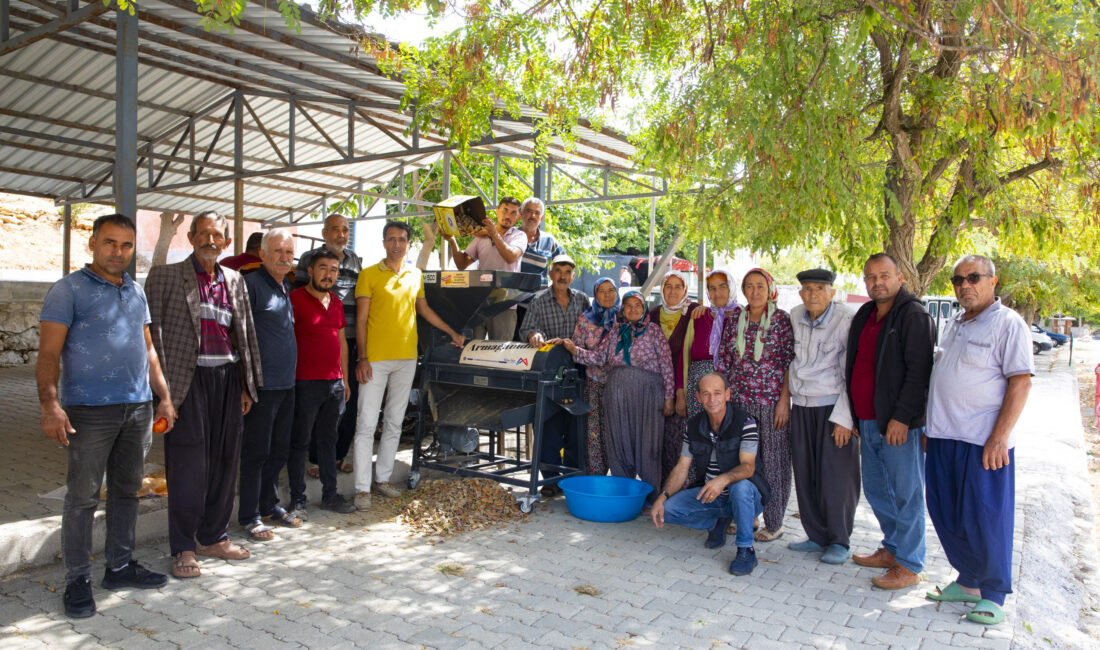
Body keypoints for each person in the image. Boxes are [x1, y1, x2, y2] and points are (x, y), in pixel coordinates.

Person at [38, 214, 175, 617]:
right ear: (93, 243)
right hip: (88, 411)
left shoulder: (136, 292)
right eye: (110, 243)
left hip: (137, 408)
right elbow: (48, 353)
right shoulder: (68, 291)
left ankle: (119, 565)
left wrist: (163, 397)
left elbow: (148, 349)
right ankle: (77, 579)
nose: (118, 252)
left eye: (127, 245)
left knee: (126, 492)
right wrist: (50, 405)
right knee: (82, 498)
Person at [146, 210, 262, 580]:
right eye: (204, 233)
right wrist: (162, 394)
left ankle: (213, 537)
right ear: (191, 236)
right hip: (186, 382)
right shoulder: (165, 277)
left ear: (227, 242)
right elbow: (148, 337)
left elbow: (243, 335)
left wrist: (245, 384)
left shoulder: (234, 280)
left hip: (226, 380)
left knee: (226, 463)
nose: (211, 240)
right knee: (187, 466)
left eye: (218, 235)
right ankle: (182, 546)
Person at [924, 255, 1032, 626]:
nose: (965, 285)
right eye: (958, 280)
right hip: (942, 436)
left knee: (987, 517)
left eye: (973, 278)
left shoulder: (1008, 324)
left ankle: (994, 594)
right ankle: (968, 581)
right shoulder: (953, 323)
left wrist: (999, 438)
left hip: (982, 441)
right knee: (945, 512)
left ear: (992, 281)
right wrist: (929, 427)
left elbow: (1021, 382)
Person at [353, 221, 464, 511]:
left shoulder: (415, 274)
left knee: (393, 422)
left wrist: (452, 332)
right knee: (366, 424)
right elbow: (361, 320)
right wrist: (361, 357)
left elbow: (424, 310)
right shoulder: (368, 275)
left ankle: (384, 480)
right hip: (374, 359)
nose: (397, 244)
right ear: (384, 242)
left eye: (402, 239)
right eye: (392, 239)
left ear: (408, 243)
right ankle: (362, 489)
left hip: (405, 359)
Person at [845, 252, 935, 590]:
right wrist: (854, 415)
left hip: (899, 425)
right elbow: (855, 366)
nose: (877, 282)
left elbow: (919, 374)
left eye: (884, 275)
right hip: (867, 421)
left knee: (906, 493)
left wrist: (901, 418)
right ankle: (893, 548)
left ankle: (910, 564)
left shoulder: (913, 315)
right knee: (876, 489)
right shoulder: (866, 314)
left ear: (899, 278)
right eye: (870, 276)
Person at [650, 372, 768, 576]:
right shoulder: (693, 426)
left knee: (739, 487)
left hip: (746, 497)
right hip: (710, 495)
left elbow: (748, 467)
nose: (712, 399)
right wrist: (662, 497)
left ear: (728, 394)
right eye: (705, 394)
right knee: (667, 511)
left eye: (717, 393)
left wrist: (722, 480)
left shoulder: (746, 422)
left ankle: (746, 550)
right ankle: (718, 521)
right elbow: (681, 467)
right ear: (697, 397)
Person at [561, 290, 674, 495]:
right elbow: (598, 358)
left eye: (637, 305)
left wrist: (669, 398)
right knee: (619, 441)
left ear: (644, 308)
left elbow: (667, 365)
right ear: (622, 309)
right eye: (628, 306)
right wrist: (574, 350)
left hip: (648, 395)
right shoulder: (615, 332)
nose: (633, 309)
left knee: (647, 444)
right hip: (617, 395)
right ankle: (624, 493)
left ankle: (650, 495)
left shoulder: (654, 331)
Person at [786, 269, 859, 565]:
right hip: (801, 406)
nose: (812, 293)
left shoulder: (846, 318)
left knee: (837, 478)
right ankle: (816, 535)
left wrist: (845, 417)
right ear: (801, 293)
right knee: (805, 473)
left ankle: (839, 540)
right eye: (807, 288)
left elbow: (851, 371)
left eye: (819, 288)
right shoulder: (794, 315)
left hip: (832, 408)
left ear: (831, 292)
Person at [716, 268, 794, 543]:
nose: (755, 291)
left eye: (760, 285)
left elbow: (788, 363)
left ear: (769, 288)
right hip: (740, 403)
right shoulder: (736, 318)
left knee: (774, 463)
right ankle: (748, 515)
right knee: (743, 461)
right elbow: (724, 359)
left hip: (772, 403)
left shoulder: (781, 320)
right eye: (749, 286)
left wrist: (784, 400)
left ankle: (775, 523)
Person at [237, 229, 302, 540]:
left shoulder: (284, 285)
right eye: (277, 251)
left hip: (286, 384)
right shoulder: (250, 285)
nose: (284, 258)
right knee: (255, 452)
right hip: (262, 387)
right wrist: (244, 385)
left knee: (278, 450)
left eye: (289, 253)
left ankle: (268, 504)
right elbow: (237, 336)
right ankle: (249, 515)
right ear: (261, 254)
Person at [289, 250, 357, 515]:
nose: (328, 274)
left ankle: (331, 494)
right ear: (311, 271)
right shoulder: (294, 299)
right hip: (304, 383)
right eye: (323, 268)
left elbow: (341, 343)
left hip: (335, 384)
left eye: (333, 269)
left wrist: (345, 379)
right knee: (300, 442)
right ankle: (297, 499)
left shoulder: (337, 304)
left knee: (329, 441)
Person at [518, 254, 591, 492]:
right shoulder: (538, 301)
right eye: (558, 271)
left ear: (573, 275)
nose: (562, 276)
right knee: (548, 425)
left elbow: (593, 328)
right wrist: (533, 335)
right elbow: (526, 328)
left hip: (577, 370)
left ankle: (571, 481)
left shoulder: (582, 300)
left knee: (575, 426)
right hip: (549, 372)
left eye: (567, 272)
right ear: (551, 274)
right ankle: (550, 480)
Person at [294, 214, 361, 477]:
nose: (341, 235)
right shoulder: (310, 259)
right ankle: (314, 460)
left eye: (345, 230)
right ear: (324, 233)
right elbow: (300, 296)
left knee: (347, 402)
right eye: (335, 230)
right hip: (316, 338)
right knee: (313, 406)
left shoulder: (355, 260)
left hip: (349, 339)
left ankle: (337, 456)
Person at [442, 196, 526, 340]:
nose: (508, 215)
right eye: (505, 210)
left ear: (518, 216)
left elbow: (511, 257)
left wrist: (493, 233)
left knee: (499, 355)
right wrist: (452, 241)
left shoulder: (519, 236)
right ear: (497, 211)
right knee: (474, 351)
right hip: (480, 303)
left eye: (514, 212)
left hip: (504, 305)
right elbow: (462, 264)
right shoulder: (481, 237)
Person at [650, 271, 702, 486]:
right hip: (655, 388)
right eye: (668, 286)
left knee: (681, 441)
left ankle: (682, 490)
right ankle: (660, 490)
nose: (672, 291)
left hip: (683, 388)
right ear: (662, 289)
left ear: (685, 290)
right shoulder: (653, 314)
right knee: (656, 441)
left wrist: (679, 393)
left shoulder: (693, 313)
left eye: (678, 286)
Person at [570, 278, 620, 476]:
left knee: (618, 432)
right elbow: (575, 350)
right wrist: (595, 359)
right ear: (595, 294)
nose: (607, 295)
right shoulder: (586, 319)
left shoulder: (626, 316)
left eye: (611, 290)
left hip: (620, 386)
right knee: (595, 434)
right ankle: (596, 479)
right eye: (602, 291)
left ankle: (621, 479)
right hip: (595, 384)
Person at [683, 270, 738, 419]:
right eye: (712, 288)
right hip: (699, 390)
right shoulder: (699, 316)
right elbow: (685, 358)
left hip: (731, 389)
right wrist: (681, 392)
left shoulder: (744, 317)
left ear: (731, 287)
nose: (717, 292)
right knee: (700, 434)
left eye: (722, 286)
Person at [517, 197, 564, 283]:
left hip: (540, 295)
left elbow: (565, 263)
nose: (533, 216)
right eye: (529, 211)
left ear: (541, 218)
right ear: (521, 214)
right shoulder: (511, 236)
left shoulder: (549, 240)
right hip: (512, 295)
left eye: (537, 213)